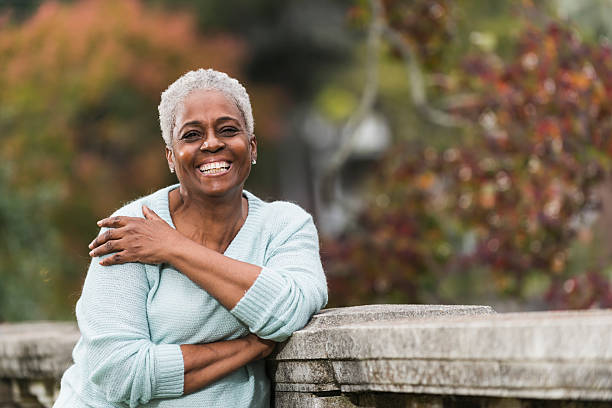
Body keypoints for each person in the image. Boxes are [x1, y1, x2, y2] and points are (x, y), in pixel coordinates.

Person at [53, 68, 328, 407]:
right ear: (171, 156)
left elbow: (288, 312)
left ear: (252, 147)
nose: (212, 143)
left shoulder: (285, 225)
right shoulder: (131, 229)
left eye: (228, 130)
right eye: (192, 135)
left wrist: (173, 247)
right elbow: (119, 373)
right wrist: (248, 347)